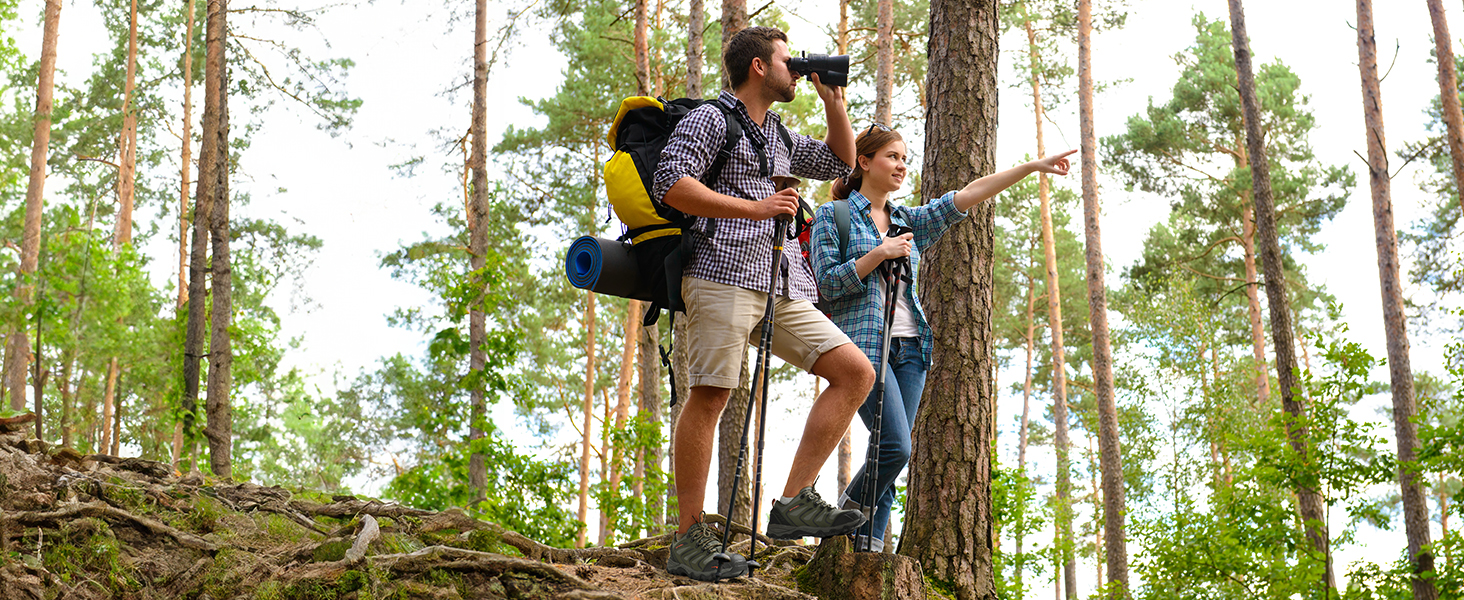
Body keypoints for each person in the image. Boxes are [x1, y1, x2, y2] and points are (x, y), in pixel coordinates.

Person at [652, 26, 876, 581]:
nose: (795, 68)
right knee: (710, 396)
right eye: (786, 60)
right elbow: (670, 183)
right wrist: (753, 209)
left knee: (854, 372)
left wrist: (834, 104)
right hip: (720, 273)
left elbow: (840, 163)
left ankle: (795, 500)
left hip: (780, 282)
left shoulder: (776, 130)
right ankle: (688, 539)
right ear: (758, 67)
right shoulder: (711, 118)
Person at [810, 123, 1075, 552]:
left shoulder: (907, 219)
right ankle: (845, 516)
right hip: (862, 347)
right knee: (896, 447)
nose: (901, 165)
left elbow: (967, 195)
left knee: (890, 453)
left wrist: (1030, 167)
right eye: (893, 157)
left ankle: (868, 551)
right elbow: (827, 284)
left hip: (911, 350)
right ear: (864, 162)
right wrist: (879, 253)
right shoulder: (832, 216)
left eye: (904, 158)